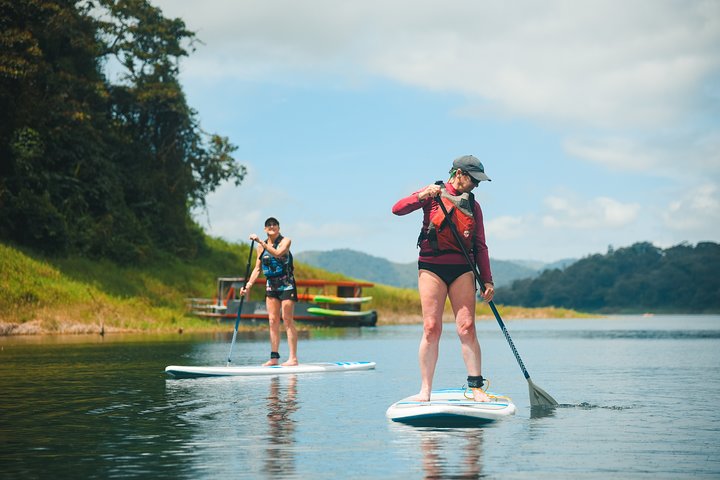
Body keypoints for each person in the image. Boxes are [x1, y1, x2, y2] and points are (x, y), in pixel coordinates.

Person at [392, 155, 495, 402]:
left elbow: (480, 245)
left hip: (462, 268)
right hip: (431, 266)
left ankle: (476, 388)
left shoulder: (474, 205)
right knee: (431, 328)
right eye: (473, 180)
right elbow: (397, 210)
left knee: (467, 327)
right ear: (458, 173)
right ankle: (425, 390)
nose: (475, 185)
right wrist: (420, 195)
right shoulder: (433, 194)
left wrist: (488, 281)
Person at [240, 217, 299, 366]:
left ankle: (293, 358)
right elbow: (257, 268)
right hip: (271, 285)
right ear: (265, 229)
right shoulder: (261, 247)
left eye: (274, 224)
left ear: (278, 228)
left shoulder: (286, 241)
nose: (272, 226)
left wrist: (260, 242)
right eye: (268, 225)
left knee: (287, 319)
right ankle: (274, 357)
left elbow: (278, 253)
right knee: (272, 321)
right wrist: (248, 285)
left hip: (286, 284)